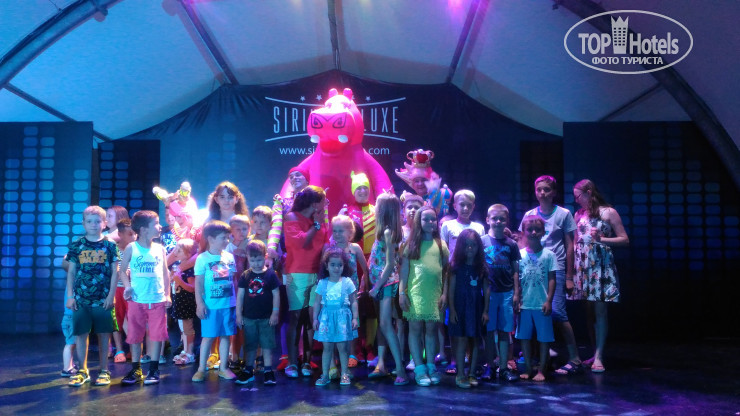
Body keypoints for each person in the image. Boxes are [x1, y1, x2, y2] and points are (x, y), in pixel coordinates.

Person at [519, 175, 582, 375]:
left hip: (556, 267)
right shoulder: (529, 214)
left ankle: (575, 358)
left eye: (546, 189)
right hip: (533, 267)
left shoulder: (563, 214)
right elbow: (522, 241)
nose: (542, 193)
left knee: (558, 313)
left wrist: (570, 277)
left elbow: (570, 245)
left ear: (553, 192)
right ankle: (540, 355)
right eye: (539, 189)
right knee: (534, 310)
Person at [570, 179, 629, 373]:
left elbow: (624, 239)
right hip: (583, 266)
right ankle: (594, 351)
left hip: (600, 266)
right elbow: (575, 240)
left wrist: (601, 239)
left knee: (600, 310)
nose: (576, 200)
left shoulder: (608, 212)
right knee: (589, 312)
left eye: (578, 196)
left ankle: (599, 355)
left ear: (588, 192)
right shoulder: (579, 214)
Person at [65, 206, 119, 387]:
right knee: (81, 334)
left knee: (104, 334)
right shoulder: (77, 245)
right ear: (83, 223)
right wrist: (70, 296)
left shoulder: (110, 245)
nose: (93, 224)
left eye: (97, 221)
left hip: (103, 299)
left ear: (104, 223)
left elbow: (115, 272)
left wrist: (111, 295)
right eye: (89, 221)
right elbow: (71, 272)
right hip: (81, 299)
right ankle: (82, 370)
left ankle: (104, 370)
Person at [119, 210, 171, 385]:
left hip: (157, 299)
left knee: (157, 334)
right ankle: (136, 368)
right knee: (135, 334)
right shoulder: (131, 248)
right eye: (156, 223)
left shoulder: (160, 249)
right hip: (137, 299)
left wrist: (167, 294)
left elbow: (165, 273)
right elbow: (122, 271)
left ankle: (154, 369)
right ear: (143, 229)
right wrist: (128, 287)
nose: (160, 226)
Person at [399, 205, 449, 386]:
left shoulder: (441, 244)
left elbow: (446, 271)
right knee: (415, 329)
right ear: (418, 221)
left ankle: (431, 366)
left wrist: (445, 293)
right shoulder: (410, 245)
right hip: (415, 293)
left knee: (431, 330)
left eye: (433, 219)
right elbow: (404, 271)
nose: (430, 222)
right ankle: (419, 368)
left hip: (434, 293)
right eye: (425, 219)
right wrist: (402, 293)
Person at [283, 185, 329, 378]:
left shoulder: (318, 220)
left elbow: (324, 244)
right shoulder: (292, 217)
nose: (326, 204)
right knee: (296, 318)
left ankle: (307, 361)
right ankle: (292, 362)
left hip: (316, 273)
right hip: (297, 273)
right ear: (314, 203)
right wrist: (316, 225)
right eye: (323, 201)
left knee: (311, 319)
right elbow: (302, 242)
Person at [439, 190, 485, 373]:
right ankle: (453, 359)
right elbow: (443, 254)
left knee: (472, 320)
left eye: (469, 205)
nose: (465, 208)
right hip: (454, 276)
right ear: (455, 206)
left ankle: (470, 360)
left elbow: (481, 254)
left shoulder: (479, 227)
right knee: (453, 320)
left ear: (474, 207)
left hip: (472, 278)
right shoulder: (447, 226)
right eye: (462, 204)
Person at [366, 192, 408, 385]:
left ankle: (400, 369)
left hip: (386, 284)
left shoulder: (388, 232)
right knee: (384, 324)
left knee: (386, 324)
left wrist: (377, 287)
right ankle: (385, 366)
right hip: (381, 283)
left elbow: (390, 264)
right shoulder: (383, 231)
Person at [191, 221, 238, 382]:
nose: (227, 241)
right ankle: (201, 369)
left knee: (225, 336)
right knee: (208, 337)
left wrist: (236, 303)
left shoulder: (229, 257)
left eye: (228, 237)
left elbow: (234, 281)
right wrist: (200, 303)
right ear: (211, 239)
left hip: (228, 304)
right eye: (223, 238)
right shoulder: (202, 259)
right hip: (211, 306)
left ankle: (223, 368)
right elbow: (198, 283)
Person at [323, 215, 369, 372]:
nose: (337, 234)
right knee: (337, 322)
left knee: (352, 322)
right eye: (334, 231)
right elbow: (324, 270)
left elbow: (365, 269)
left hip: (352, 293)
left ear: (350, 232)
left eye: (341, 231)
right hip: (335, 294)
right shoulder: (330, 249)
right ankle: (337, 355)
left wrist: (364, 285)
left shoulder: (354, 248)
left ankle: (352, 353)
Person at [482, 204, 521, 382]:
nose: (498, 222)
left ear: (507, 221)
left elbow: (515, 270)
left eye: (502, 219)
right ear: (487, 220)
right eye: (494, 218)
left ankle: (504, 367)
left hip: (506, 293)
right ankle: (490, 366)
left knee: (505, 331)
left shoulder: (512, 244)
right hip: (488, 294)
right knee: (489, 331)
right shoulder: (482, 241)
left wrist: (516, 292)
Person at [516, 215, 557, 382]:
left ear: (543, 232)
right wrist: (517, 297)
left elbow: (552, 279)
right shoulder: (519, 255)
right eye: (530, 229)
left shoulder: (549, 255)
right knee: (525, 337)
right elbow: (516, 278)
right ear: (524, 232)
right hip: (524, 304)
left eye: (537, 230)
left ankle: (542, 370)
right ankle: (528, 368)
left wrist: (549, 300)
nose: (533, 232)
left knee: (544, 338)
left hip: (541, 304)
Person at [235, 240, 280, 386]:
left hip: (266, 318)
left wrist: (275, 313)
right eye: (252, 260)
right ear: (248, 258)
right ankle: (249, 369)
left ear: (265, 256)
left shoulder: (271, 275)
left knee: (267, 344)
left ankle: (268, 370)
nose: (256, 263)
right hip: (249, 317)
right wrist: (238, 314)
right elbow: (240, 296)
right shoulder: (245, 275)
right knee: (250, 344)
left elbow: (276, 294)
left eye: (259, 260)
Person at [313, 248, 360, 386]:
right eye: (333, 265)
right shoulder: (322, 283)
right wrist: (315, 319)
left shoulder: (347, 282)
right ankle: (325, 375)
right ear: (326, 266)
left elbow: (353, 301)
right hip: (327, 319)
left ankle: (344, 374)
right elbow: (317, 302)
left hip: (342, 319)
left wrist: (355, 318)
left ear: (344, 266)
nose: (336, 268)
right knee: (327, 348)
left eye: (339, 265)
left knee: (342, 348)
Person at [448, 229, 487, 388]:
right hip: (460, 307)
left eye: (473, 245)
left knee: (476, 340)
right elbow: (451, 289)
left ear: (478, 247)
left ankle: (472, 373)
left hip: (476, 308)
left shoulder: (481, 267)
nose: (470, 248)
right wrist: (452, 310)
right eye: (466, 245)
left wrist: (485, 311)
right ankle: (460, 374)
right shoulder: (455, 267)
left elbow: (487, 290)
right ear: (460, 246)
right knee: (461, 339)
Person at [399, 191, 424, 370]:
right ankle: (400, 357)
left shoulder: (424, 232)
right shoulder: (399, 231)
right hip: (400, 279)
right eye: (409, 207)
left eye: (416, 207)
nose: (413, 210)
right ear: (403, 210)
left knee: (418, 323)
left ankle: (417, 358)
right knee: (400, 322)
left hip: (419, 281)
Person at [170, 238, 198, 366]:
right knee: (183, 328)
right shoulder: (178, 267)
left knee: (188, 328)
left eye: (179, 251)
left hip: (186, 302)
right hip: (179, 301)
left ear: (188, 254)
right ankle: (185, 350)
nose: (175, 252)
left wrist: (179, 281)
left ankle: (190, 353)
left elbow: (192, 288)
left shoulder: (189, 270)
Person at [112, 218, 137, 364]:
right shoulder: (113, 249)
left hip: (132, 289)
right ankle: (119, 349)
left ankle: (134, 349)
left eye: (135, 233)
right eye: (130, 234)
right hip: (117, 288)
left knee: (133, 320)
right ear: (120, 234)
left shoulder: (136, 249)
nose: (133, 237)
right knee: (117, 319)